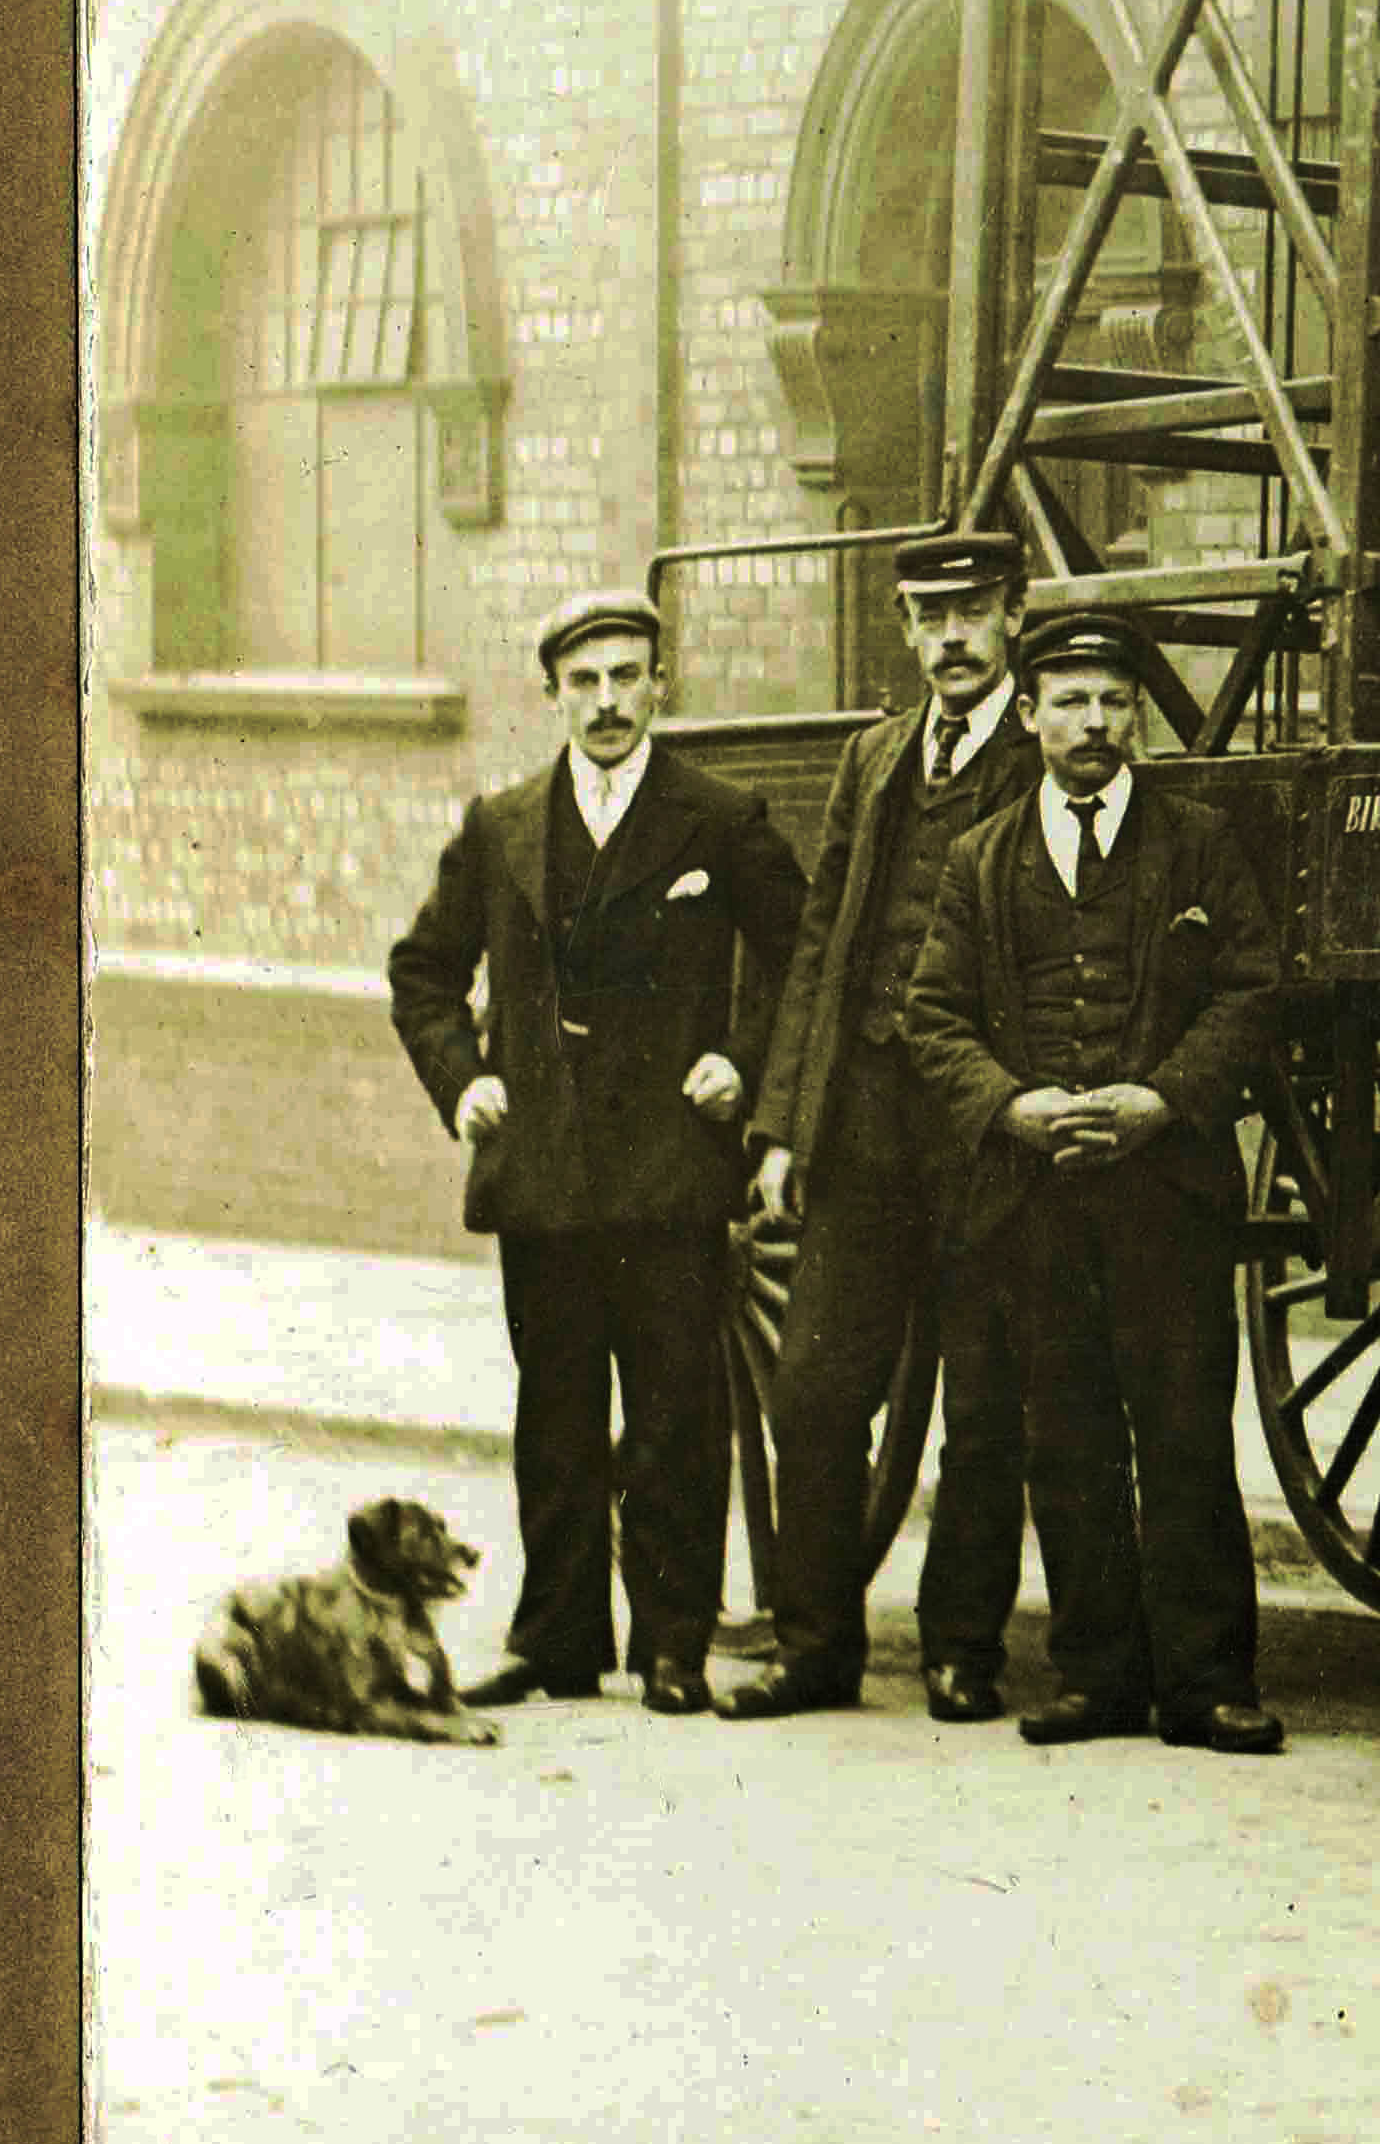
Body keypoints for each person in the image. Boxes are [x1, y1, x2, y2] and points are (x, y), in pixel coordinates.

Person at [386, 587, 808, 1718]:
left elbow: (799, 959)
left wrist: (745, 1062)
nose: (609, 701)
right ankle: (560, 1640)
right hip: (547, 1177)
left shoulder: (719, 818)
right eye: (586, 681)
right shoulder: (504, 822)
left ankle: (672, 1645)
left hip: (671, 1170)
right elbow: (422, 972)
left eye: (629, 677)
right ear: (554, 695)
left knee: (675, 1413)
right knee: (556, 1413)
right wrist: (463, 1079)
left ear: (661, 684)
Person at [895, 603, 1294, 1756]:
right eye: (1069, 700)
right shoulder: (983, 859)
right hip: (1037, 1200)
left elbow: (1252, 988)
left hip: (1165, 1191)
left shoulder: (1199, 842)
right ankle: (1096, 1677)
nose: (1095, 723)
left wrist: (1161, 1099)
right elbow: (933, 1015)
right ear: (1028, 716)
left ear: (1138, 721)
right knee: (1066, 1436)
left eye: (1115, 701)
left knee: (1182, 1434)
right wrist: (1014, 1108)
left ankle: (1210, 1682)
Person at [720, 526, 1050, 1724]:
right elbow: (820, 947)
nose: (951, 639)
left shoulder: (1045, 746)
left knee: (982, 1401)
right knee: (811, 1391)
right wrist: (783, 1127)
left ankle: (965, 1649)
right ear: (907, 630)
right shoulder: (873, 760)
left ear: (1013, 613)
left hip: (980, 1133)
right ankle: (816, 1649)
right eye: (929, 618)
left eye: (972, 613)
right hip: (861, 1123)